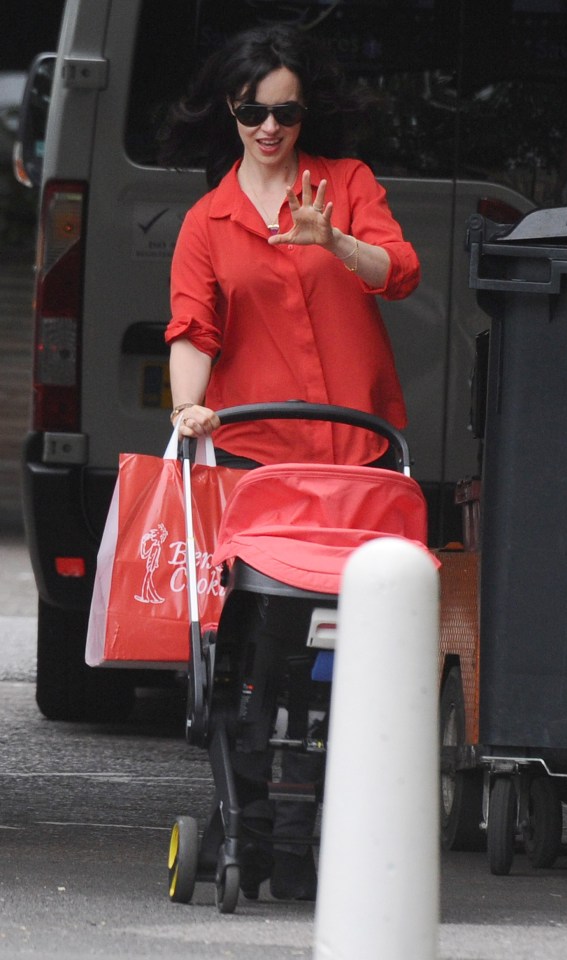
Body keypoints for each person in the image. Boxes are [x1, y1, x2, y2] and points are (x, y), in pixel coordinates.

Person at [161, 23, 420, 901]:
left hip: (356, 457)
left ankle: (332, 827)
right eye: (251, 110)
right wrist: (187, 404)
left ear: (307, 111)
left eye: (285, 110)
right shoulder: (208, 221)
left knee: (350, 654)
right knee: (254, 654)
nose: (269, 127)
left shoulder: (343, 186)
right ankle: (258, 829)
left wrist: (333, 244)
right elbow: (192, 330)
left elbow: (401, 272)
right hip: (259, 466)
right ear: (227, 111)